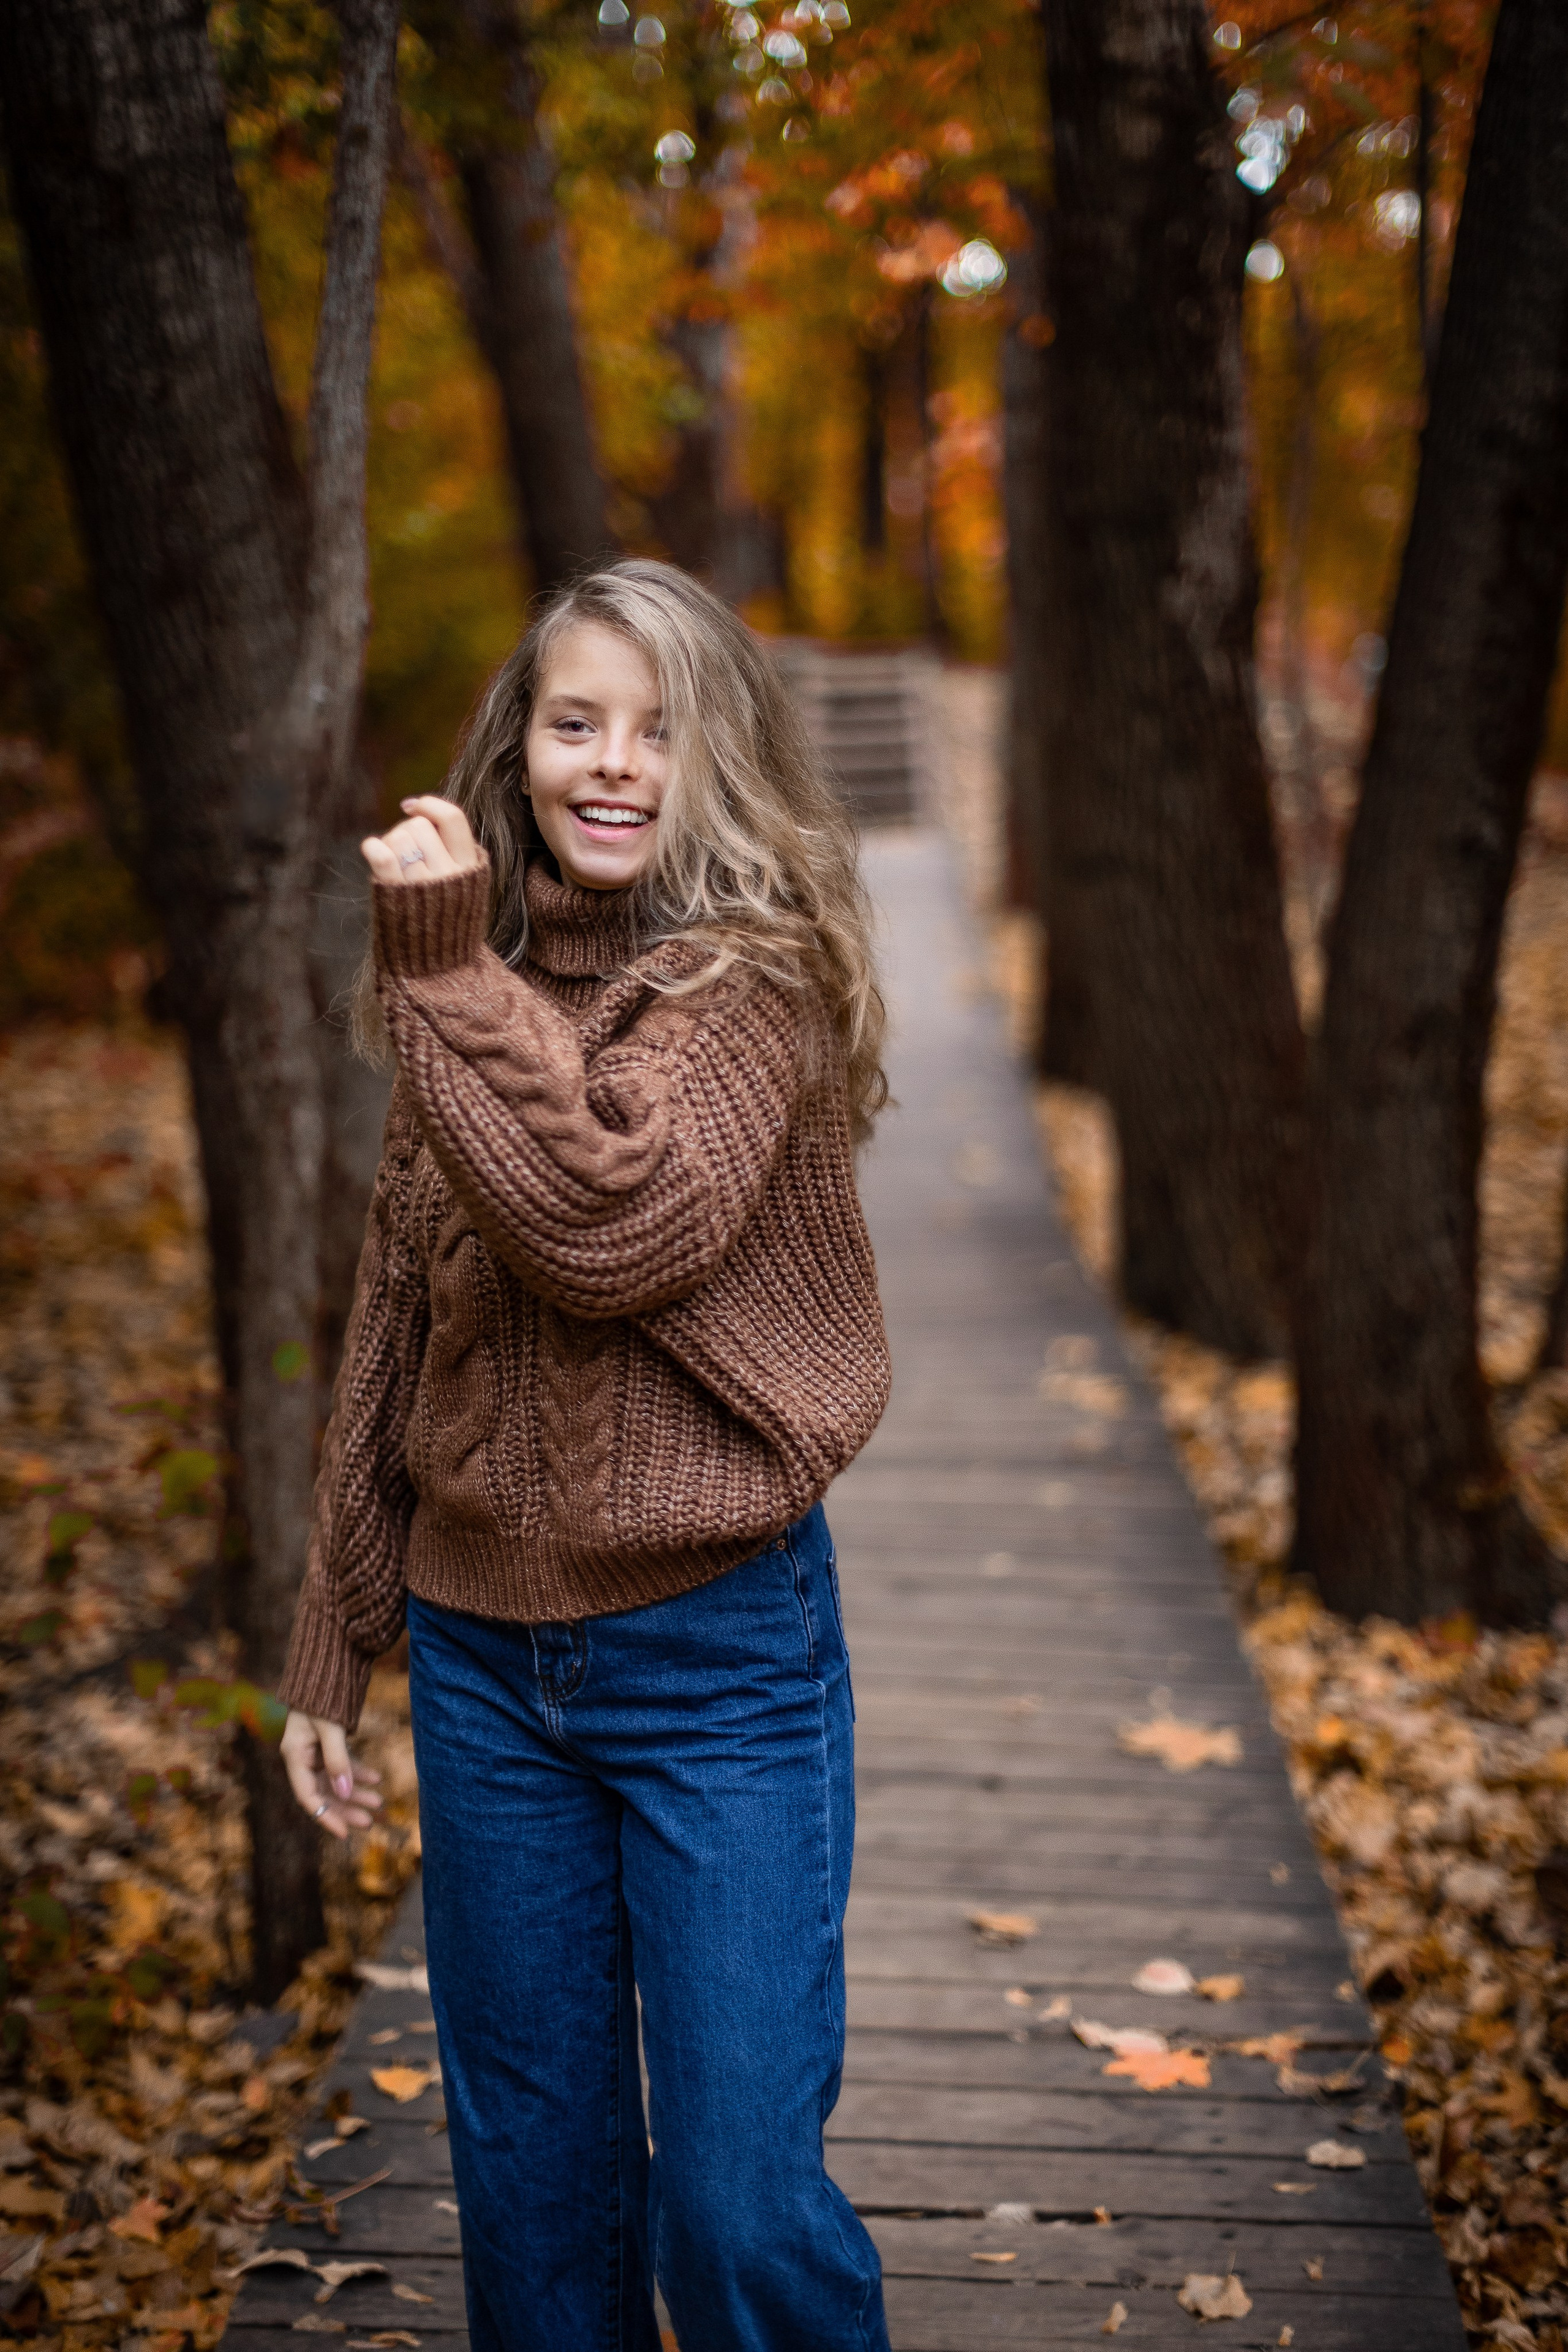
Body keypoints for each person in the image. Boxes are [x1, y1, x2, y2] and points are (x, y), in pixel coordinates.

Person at [276, 559, 893, 2352]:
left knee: (740, 2208)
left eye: (658, 727)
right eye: (573, 722)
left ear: (718, 760)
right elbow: (403, 1306)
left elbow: (607, 1223)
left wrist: (448, 974)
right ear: (522, 749)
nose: (612, 765)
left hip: (719, 1664)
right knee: (536, 2199)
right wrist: (342, 1631)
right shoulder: (461, 984)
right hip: (482, 1673)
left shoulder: (746, 992)